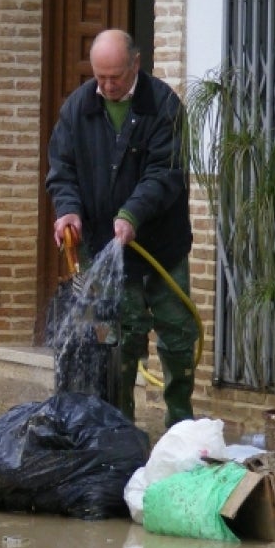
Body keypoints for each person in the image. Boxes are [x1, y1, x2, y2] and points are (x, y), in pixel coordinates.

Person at [45, 29, 198, 428]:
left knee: (177, 336)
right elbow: (62, 171)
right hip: (104, 247)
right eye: (100, 77)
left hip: (161, 248)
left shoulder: (163, 106)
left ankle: (179, 421)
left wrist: (132, 214)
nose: (108, 86)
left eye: (115, 76)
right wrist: (68, 211)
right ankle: (120, 429)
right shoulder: (78, 108)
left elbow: (164, 175)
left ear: (136, 64)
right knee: (120, 342)